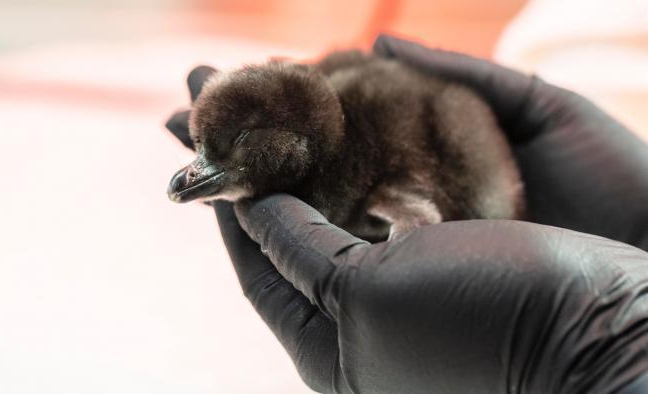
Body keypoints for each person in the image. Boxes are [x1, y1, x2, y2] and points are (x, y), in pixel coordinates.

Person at [166, 35, 648, 393]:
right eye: (207, 150)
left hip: (466, 184)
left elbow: (419, 214)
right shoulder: (336, 106)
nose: (194, 174)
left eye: (231, 147)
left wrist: (610, 351)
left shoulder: (379, 166)